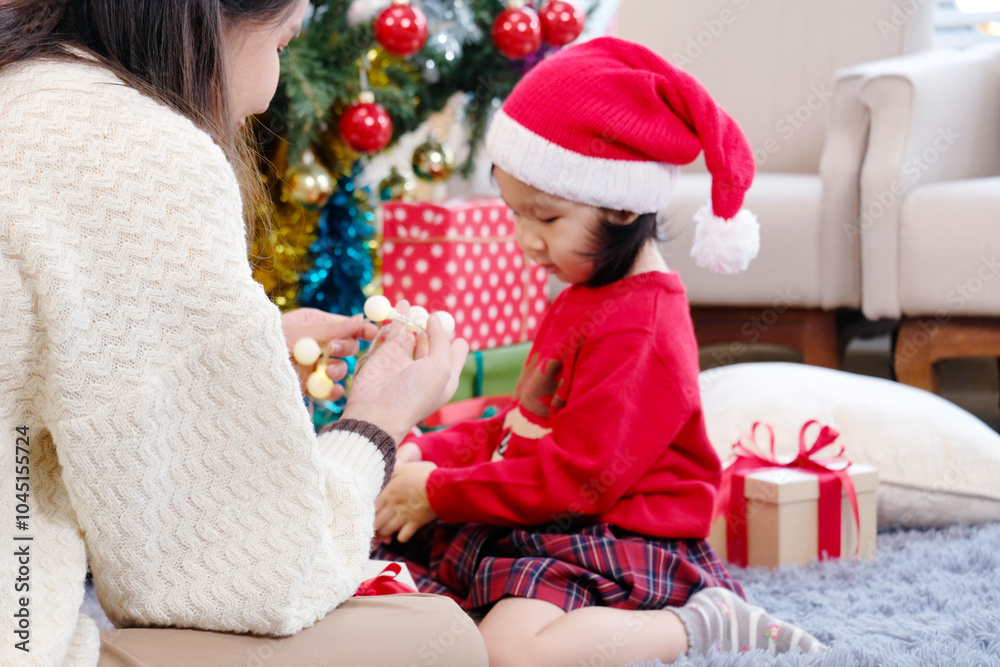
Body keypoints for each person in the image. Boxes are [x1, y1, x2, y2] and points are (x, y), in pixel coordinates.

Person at [0, 1, 485, 665]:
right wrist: (374, 426)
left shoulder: (20, 87)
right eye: (285, 42)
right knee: (439, 637)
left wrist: (229, 359)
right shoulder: (133, 151)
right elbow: (241, 581)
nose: (269, 95)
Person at [372, 37, 827, 666]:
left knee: (507, 652)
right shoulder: (582, 294)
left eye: (547, 219)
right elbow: (521, 427)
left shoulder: (641, 326)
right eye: (516, 215)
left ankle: (704, 624)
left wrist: (441, 491)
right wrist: (429, 453)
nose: (526, 241)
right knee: (398, 569)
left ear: (622, 206)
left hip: (622, 530)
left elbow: (580, 478)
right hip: (556, 510)